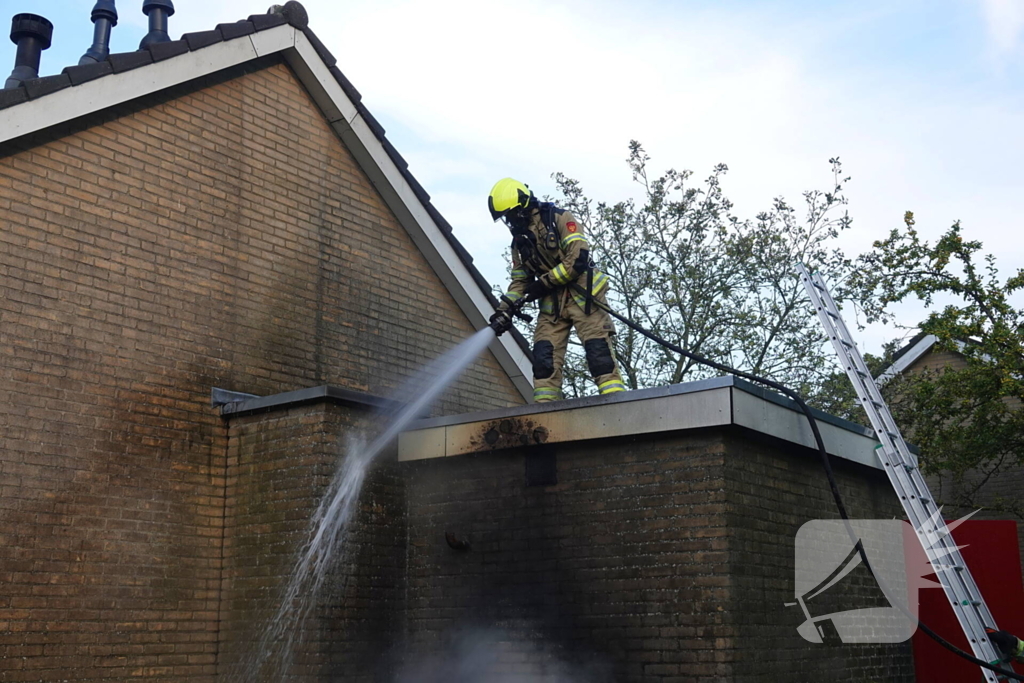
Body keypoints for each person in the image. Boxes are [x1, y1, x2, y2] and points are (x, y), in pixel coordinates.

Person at [487, 177, 626, 403]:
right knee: (543, 359)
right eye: (506, 217)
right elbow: (520, 280)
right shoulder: (519, 242)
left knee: (598, 352)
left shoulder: (559, 219)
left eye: (511, 214)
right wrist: (504, 310)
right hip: (552, 305)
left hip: (583, 296)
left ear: (523, 206)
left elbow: (578, 258)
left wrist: (544, 283)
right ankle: (544, 412)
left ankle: (616, 404)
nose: (510, 221)